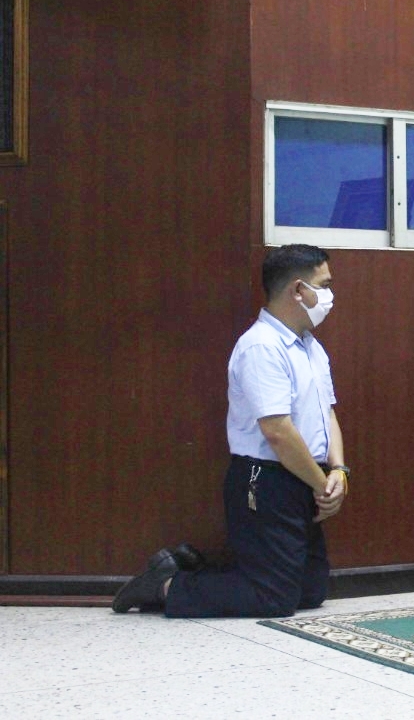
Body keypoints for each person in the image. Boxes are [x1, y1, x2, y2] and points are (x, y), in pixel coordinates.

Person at [112, 244, 349, 617]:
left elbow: (328, 413)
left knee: (310, 589)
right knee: (275, 599)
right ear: (298, 290)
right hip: (265, 480)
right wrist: (322, 487)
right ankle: (165, 584)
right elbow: (277, 432)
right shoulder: (260, 347)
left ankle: (188, 567)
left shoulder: (310, 347)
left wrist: (338, 471)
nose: (330, 295)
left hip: (306, 477)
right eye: (324, 284)